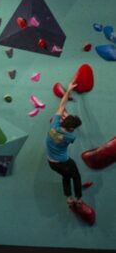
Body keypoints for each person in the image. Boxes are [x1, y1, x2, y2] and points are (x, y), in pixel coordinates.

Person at [46, 80, 83, 208]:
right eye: (74, 127)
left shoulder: (54, 124)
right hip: (63, 161)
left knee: (66, 175)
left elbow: (61, 105)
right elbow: (70, 132)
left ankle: (68, 198)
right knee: (76, 176)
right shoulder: (70, 136)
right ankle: (78, 199)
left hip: (51, 163)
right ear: (71, 128)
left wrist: (68, 90)